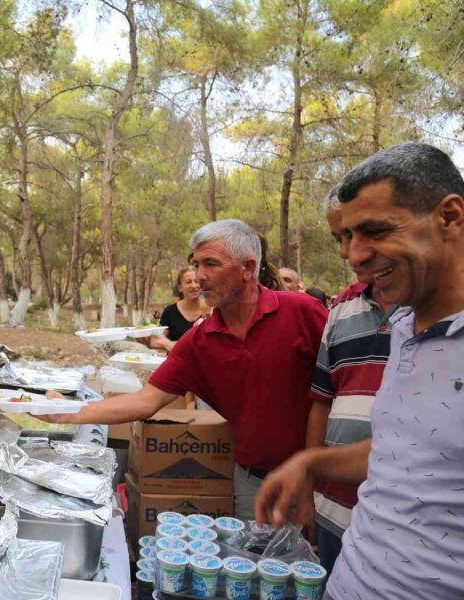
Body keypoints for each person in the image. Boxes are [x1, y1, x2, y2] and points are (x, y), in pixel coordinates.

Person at [255, 142, 464, 599]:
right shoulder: (406, 325)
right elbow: (406, 451)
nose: (355, 256)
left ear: (449, 217)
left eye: (375, 231)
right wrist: (312, 464)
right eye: (348, 237)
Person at [43, 219, 327, 519]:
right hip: (255, 483)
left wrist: (311, 483)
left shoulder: (303, 313)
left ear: (247, 268)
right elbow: (145, 401)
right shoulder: (199, 342)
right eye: (196, 264)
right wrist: (69, 411)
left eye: (211, 264)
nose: (199, 276)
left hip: (326, 480)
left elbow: (342, 395)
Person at [304, 189, 396, 574]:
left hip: (401, 522)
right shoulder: (341, 309)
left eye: (360, 234)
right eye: (340, 239)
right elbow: (322, 401)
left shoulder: (436, 311)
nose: (349, 252)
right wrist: (309, 484)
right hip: (334, 510)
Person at [147, 266, 210, 353]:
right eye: (188, 282)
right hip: (176, 363)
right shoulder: (170, 312)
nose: (194, 285)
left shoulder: (211, 311)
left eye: (197, 281)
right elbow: (159, 342)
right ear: (180, 287)